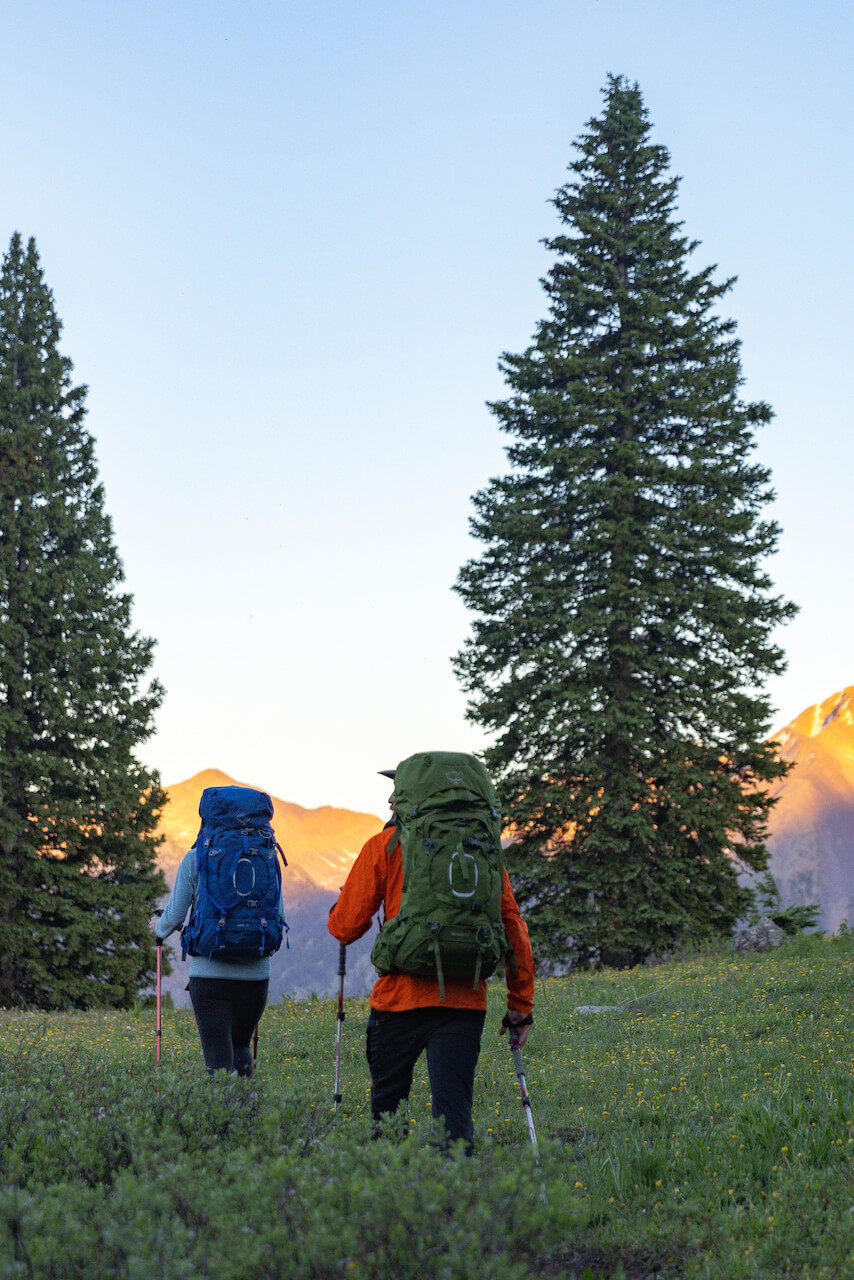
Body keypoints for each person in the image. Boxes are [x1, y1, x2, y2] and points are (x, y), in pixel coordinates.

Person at [328, 766, 535, 1151]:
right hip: (464, 1001)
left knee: (388, 1114)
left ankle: (392, 1198)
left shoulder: (385, 846)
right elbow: (512, 925)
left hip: (397, 1002)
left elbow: (345, 928)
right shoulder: (483, 850)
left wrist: (340, 906)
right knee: (454, 1117)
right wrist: (520, 1006)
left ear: (412, 798)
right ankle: (455, 1201)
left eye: (397, 792)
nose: (390, 799)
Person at [155, 835, 286, 1078]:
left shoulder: (197, 858)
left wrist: (158, 927)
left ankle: (223, 1114)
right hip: (256, 975)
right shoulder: (267, 857)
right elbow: (278, 914)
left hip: (209, 976)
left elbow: (173, 917)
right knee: (241, 1045)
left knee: (217, 1054)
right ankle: (248, 1110)